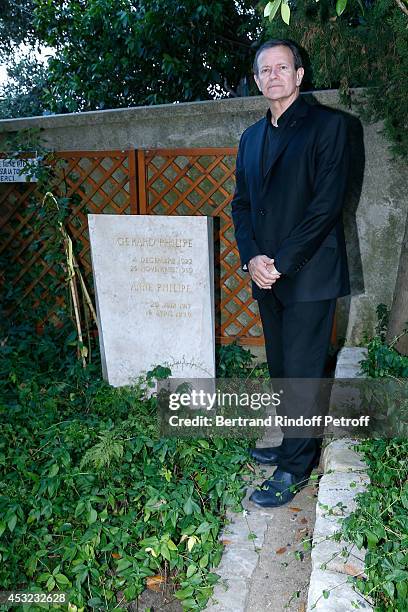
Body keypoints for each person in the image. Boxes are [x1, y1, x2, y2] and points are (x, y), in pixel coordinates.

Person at [231, 39, 350, 507]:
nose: (274, 75)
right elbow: (241, 206)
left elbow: (324, 207)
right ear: (258, 80)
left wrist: (279, 263)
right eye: (265, 70)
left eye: (283, 67)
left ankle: (296, 468)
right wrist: (252, 258)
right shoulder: (250, 139)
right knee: (282, 369)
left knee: (302, 373)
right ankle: (292, 443)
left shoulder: (330, 127)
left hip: (309, 274)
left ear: (299, 76)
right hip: (266, 276)